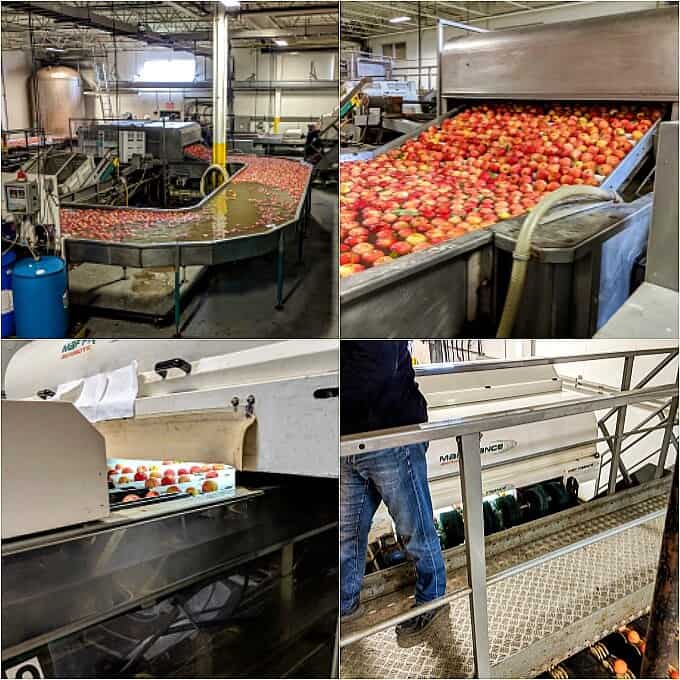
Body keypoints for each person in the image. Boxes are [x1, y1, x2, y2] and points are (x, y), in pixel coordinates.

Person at [340, 341, 448, 648]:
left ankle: (433, 601)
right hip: (349, 443)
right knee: (346, 534)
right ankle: (344, 604)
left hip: (390, 436)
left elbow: (376, 368)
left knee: (415, 530)